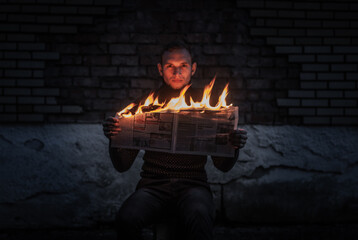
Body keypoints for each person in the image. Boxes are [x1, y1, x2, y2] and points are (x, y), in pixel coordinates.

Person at [102, 40, 248, 240]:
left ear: (193, 68)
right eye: (170, 66)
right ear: (160, 69)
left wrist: (234, 144)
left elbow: (223, 166)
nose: (177, 72)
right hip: (153, 187)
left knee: (200, 215)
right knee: (126, 218)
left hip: (193, 186)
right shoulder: (145, 105)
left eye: (183, 66)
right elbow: (122, 165)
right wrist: (114, 137)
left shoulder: (208, 107)